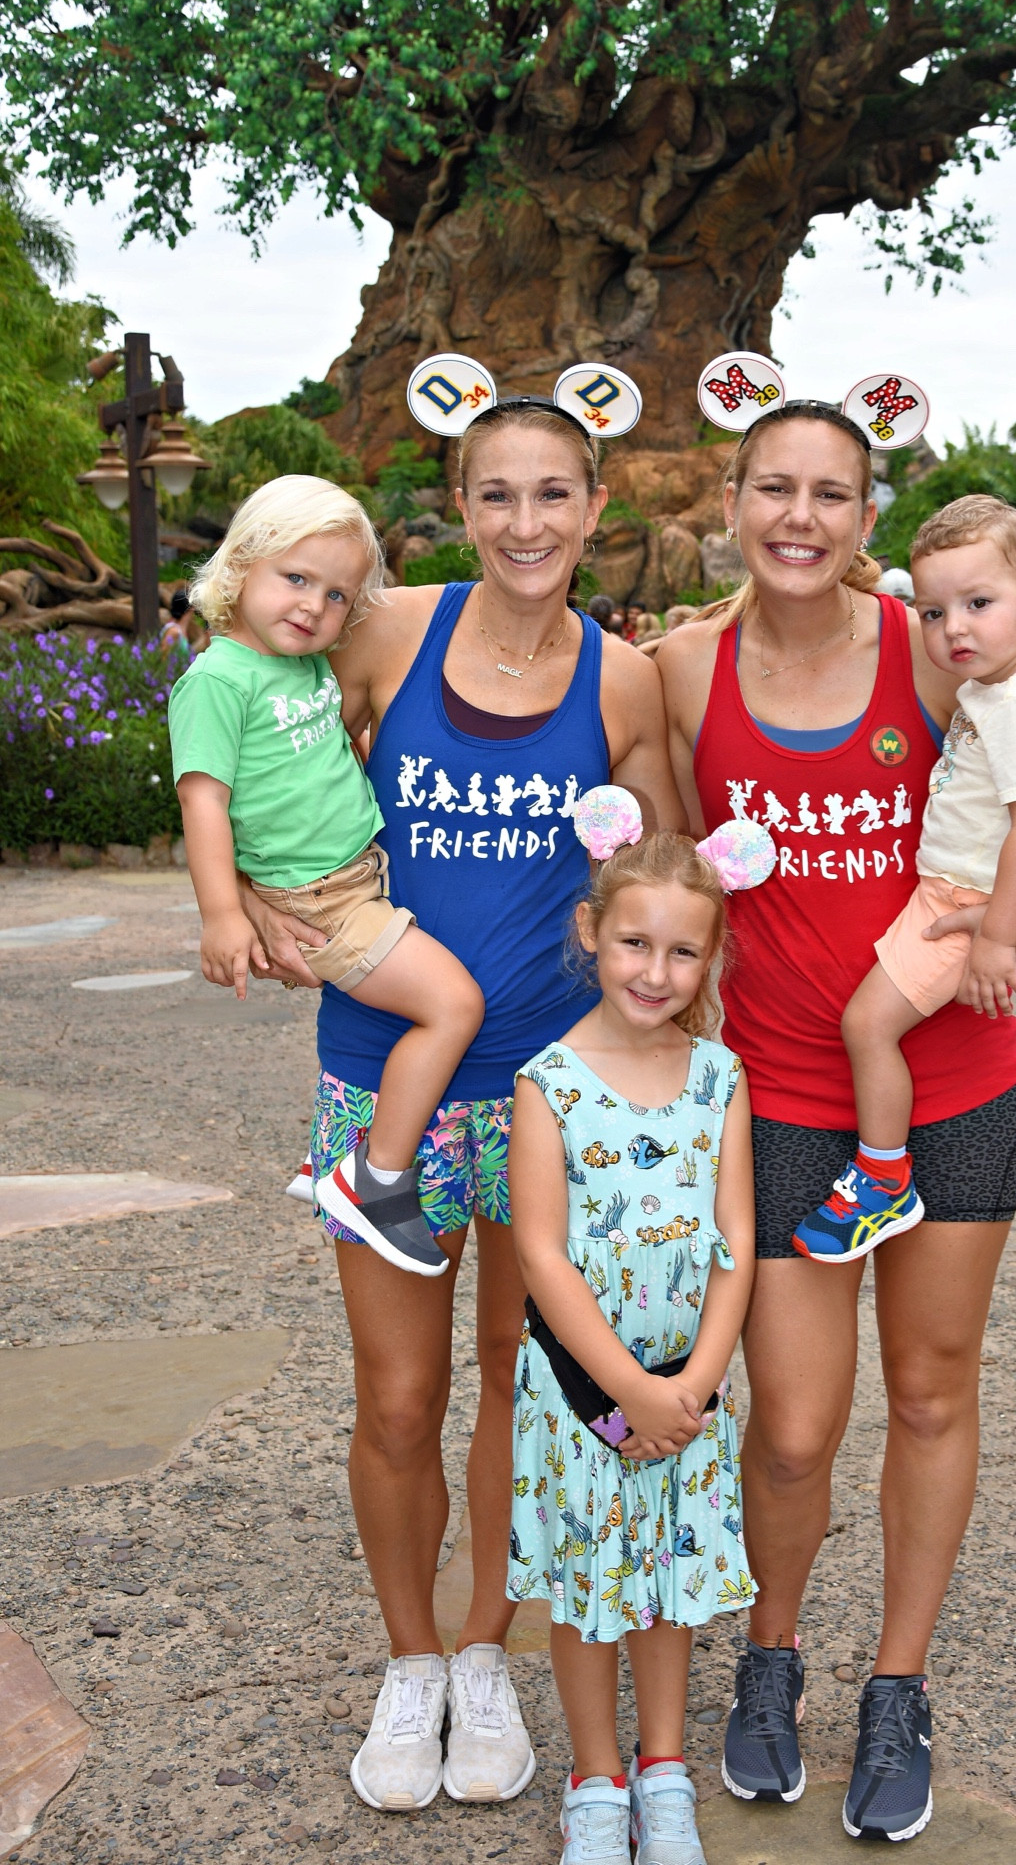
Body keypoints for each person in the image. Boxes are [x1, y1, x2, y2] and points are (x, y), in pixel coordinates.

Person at [233, 406, 683, 1817]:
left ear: (595, 503)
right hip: (386, 1079)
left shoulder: (622, 683)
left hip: (549, 1087)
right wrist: (245, 891)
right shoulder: (384, 638)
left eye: (554, 495)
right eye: (499, 496)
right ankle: (411, 1658)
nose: (527, 524)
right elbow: (239, 719)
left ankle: (487, 1648)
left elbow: (664, 872)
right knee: (397, 1393)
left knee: (512, 1384)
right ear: (460, 505)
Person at [658, 399, 1016, 1843]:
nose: (799, 516)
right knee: (787, 1429)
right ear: (731, 501)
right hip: (782, 1096)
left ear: (863, 515)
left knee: (928, 1393)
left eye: (829, 494)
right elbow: (655, 858)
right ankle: (768, 1658)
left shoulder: (934, 645)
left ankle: (895, 1683)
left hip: (958, 1085)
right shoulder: (679, 666)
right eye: (772, 488)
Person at [510, 792, 767, 1865]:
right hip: (583, 1398)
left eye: (681, 951)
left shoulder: (719, 1076)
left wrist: (695, 1383)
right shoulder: (549, 1082)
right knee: (587, 1590)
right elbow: (541, 1254)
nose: (655, 971)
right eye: (633, 943)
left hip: (684, 1389)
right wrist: (629, 1386)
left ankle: (663, 1771)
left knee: (667, 1583)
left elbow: (735, 1239)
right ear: (590, 932)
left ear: (710, 958)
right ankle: (597, 1779)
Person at [171, 477, 484, 1274]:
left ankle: (331, 1166)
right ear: (241, 566)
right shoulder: (218, 680)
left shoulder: (305, 664)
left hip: (354, 879)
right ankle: (375, 1178)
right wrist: (224, 914)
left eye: (337, 594)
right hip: (324, 901)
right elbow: (204, 800)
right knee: (452, 1006)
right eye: (296, 579)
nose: (314, 606)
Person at [794, 497, 1016, 1264]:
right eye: (933, 611)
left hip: (962, 905)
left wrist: (999, 937)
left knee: (867, 1025)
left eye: (978, 604)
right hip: (956, 892)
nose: (953, 628)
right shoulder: (1012, 682)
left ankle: (883, 1176)